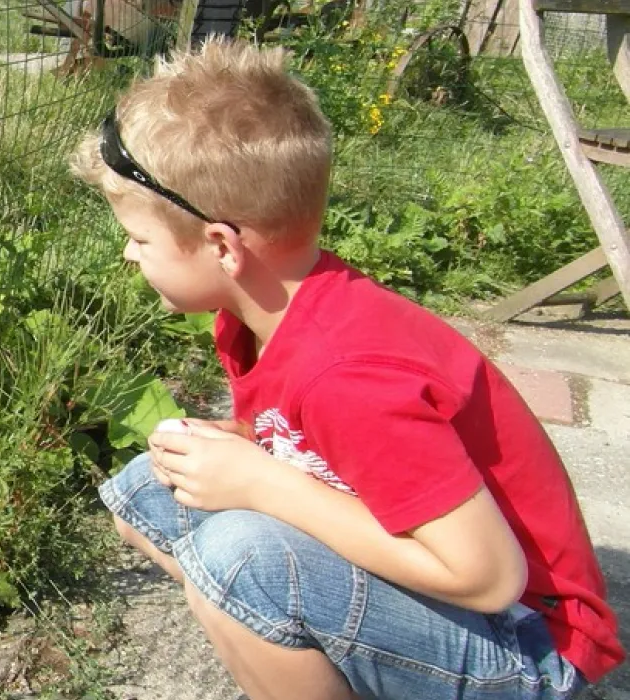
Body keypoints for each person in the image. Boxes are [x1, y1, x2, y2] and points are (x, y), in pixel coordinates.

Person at [71, 37, 622, 699]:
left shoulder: (347, 371)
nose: (130, 256)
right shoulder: (263, 315)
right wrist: (250, 450)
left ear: (222, 246)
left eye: (139, 239)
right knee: (148, 494)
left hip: (529, 645)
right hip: (472, 610)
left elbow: (489, 577)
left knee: (241, 558)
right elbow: (324, 448)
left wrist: (265, 484)